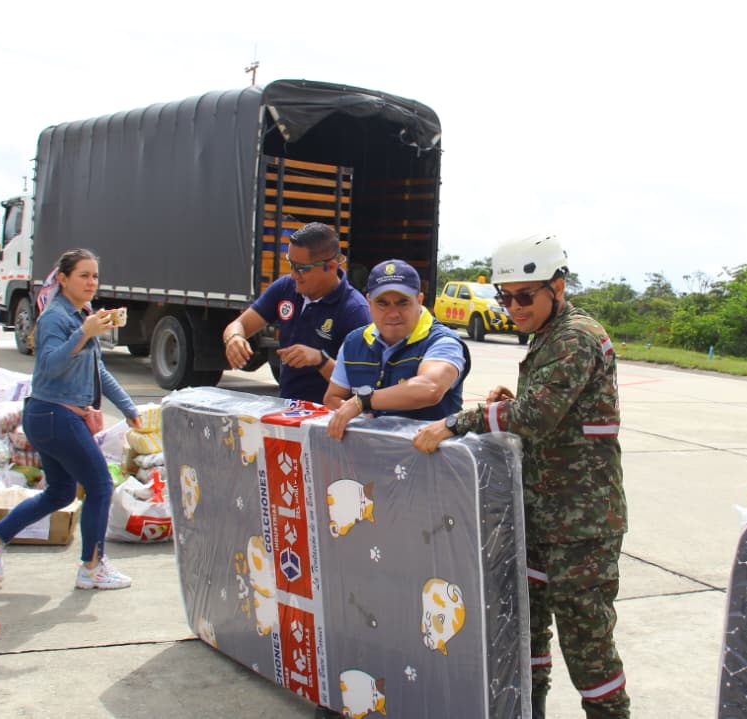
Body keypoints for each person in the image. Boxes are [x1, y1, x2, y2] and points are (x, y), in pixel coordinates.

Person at [413, 235, 629, 719]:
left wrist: (457, 422)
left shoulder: (574, 336)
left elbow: (538, 416)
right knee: (529, 633)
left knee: (588, 646)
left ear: (557, 286)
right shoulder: (550, 334)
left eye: (524, 296)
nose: (512, 307)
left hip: (581, 526)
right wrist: (511, 400)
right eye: (504, 297)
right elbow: (555, 410)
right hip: (541, 515)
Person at [0, 249, 143, 589]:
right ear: (62, 279)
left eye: (94, 276)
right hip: (54, 415)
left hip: (50, 417)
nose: (91, 282)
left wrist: (128, 408)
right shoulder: (55, 318)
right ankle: (92, 568)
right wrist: (84, 334)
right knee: (101, 485)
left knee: (60, 492)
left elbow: (97, 370)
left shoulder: (80, 315)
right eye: (83, 275)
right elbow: (48, 366)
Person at [222, 222, 370, 402]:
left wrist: (319, 360)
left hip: (329, 419)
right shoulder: (285, 288)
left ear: (330, 267)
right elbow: (240, 325)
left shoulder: (355, 311)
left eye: (301, 268)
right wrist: (234, 338)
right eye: (291, 264)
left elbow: (360, 388)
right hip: (287, 411)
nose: (293, 275)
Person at [324, 259, 469, 439]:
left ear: (419, 300)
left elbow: (430, 388)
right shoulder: (354, 342)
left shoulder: (443, 342)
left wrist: (362, 401)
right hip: (367, 457)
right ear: (369, 302)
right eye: (382, 303)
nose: (393, 313)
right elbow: (332, 398)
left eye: (402, 302)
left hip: (428, 460)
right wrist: (362, 419)